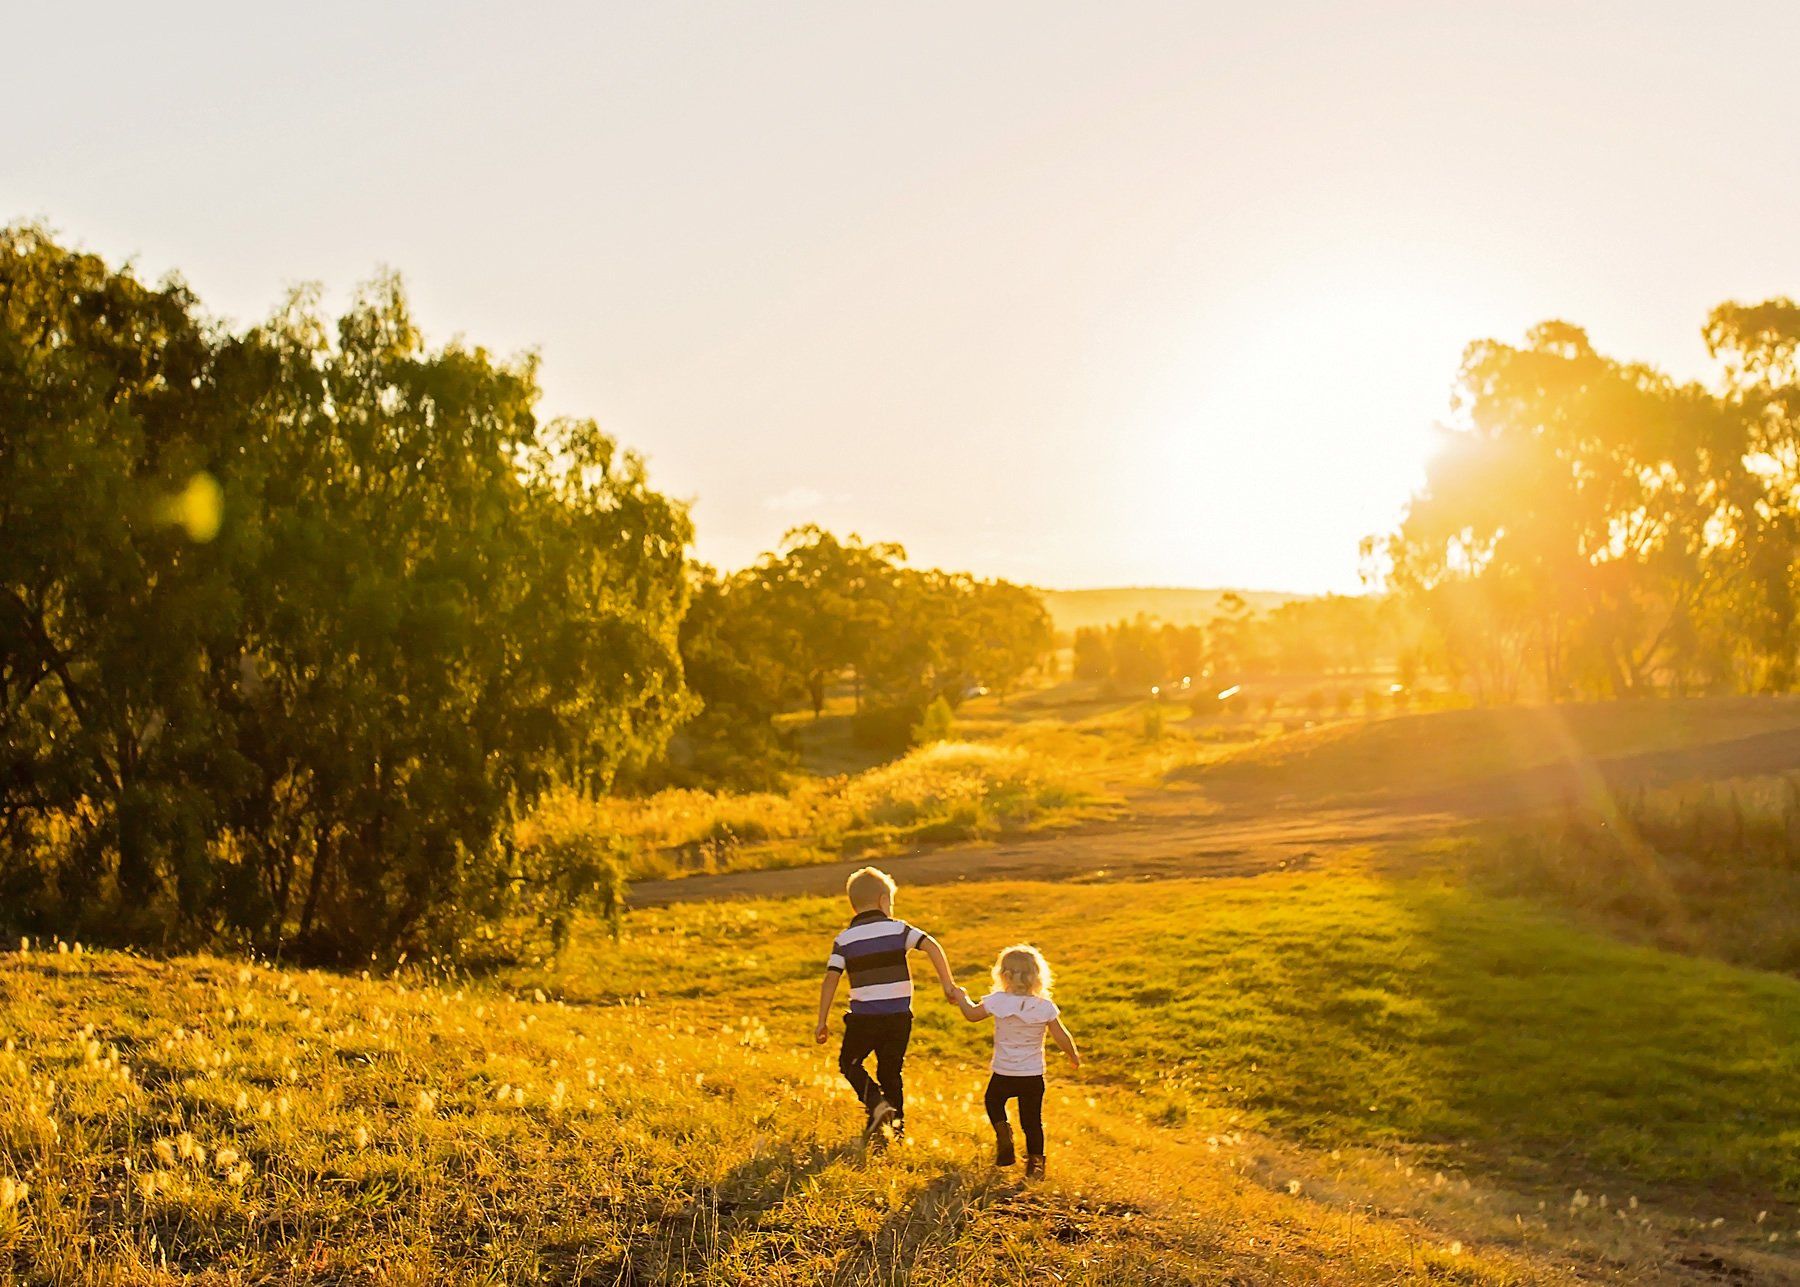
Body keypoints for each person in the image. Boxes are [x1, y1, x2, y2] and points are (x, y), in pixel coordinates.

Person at [814, 866, 959, 1142]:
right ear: (883, 900)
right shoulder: (898, 930)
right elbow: (932, 946)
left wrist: (822, 1021)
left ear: (854, 904)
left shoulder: (844, 940)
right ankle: (896, 1129)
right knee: (890, 1070)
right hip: (898, 1017)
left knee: (850, 1063)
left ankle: (877, 1105)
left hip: (863, 1019)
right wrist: (948, 984)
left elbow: (830, 980)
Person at [954, 944, 1080, 1178]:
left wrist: (961, 998)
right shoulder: (1044, 1007)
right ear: (1038, 976)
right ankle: (1036, 1167)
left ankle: (1003, 1132)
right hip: (1032, 1075)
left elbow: (971, 1015)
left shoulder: (998, 1001)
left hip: (1004, 1072)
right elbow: (1061, 1035)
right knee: (1032, 1122)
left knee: (993, 1102)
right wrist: (1072, 1054)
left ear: (1003, 975)